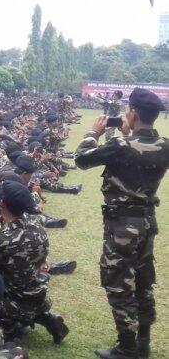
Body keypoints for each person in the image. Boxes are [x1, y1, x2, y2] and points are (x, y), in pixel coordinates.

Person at [75, 88, 169, 359]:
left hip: (122, 227)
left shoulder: (119, 146)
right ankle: (143, 342)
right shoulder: (164, 145)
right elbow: (143, 153)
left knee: (119, 284)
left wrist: (93, 133)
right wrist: (130, 135)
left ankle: (127, 348)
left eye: (129, 108)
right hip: (147, 223)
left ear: (134, 112)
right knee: (142, 282)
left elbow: (82, 159)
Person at [0, 181, 68, 345]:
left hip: (14, 298)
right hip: (38, 291)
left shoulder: (3, 240)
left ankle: (10, 328)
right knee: (24, 288)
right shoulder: (36, 225)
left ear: (2, 204)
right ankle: (46, 317)